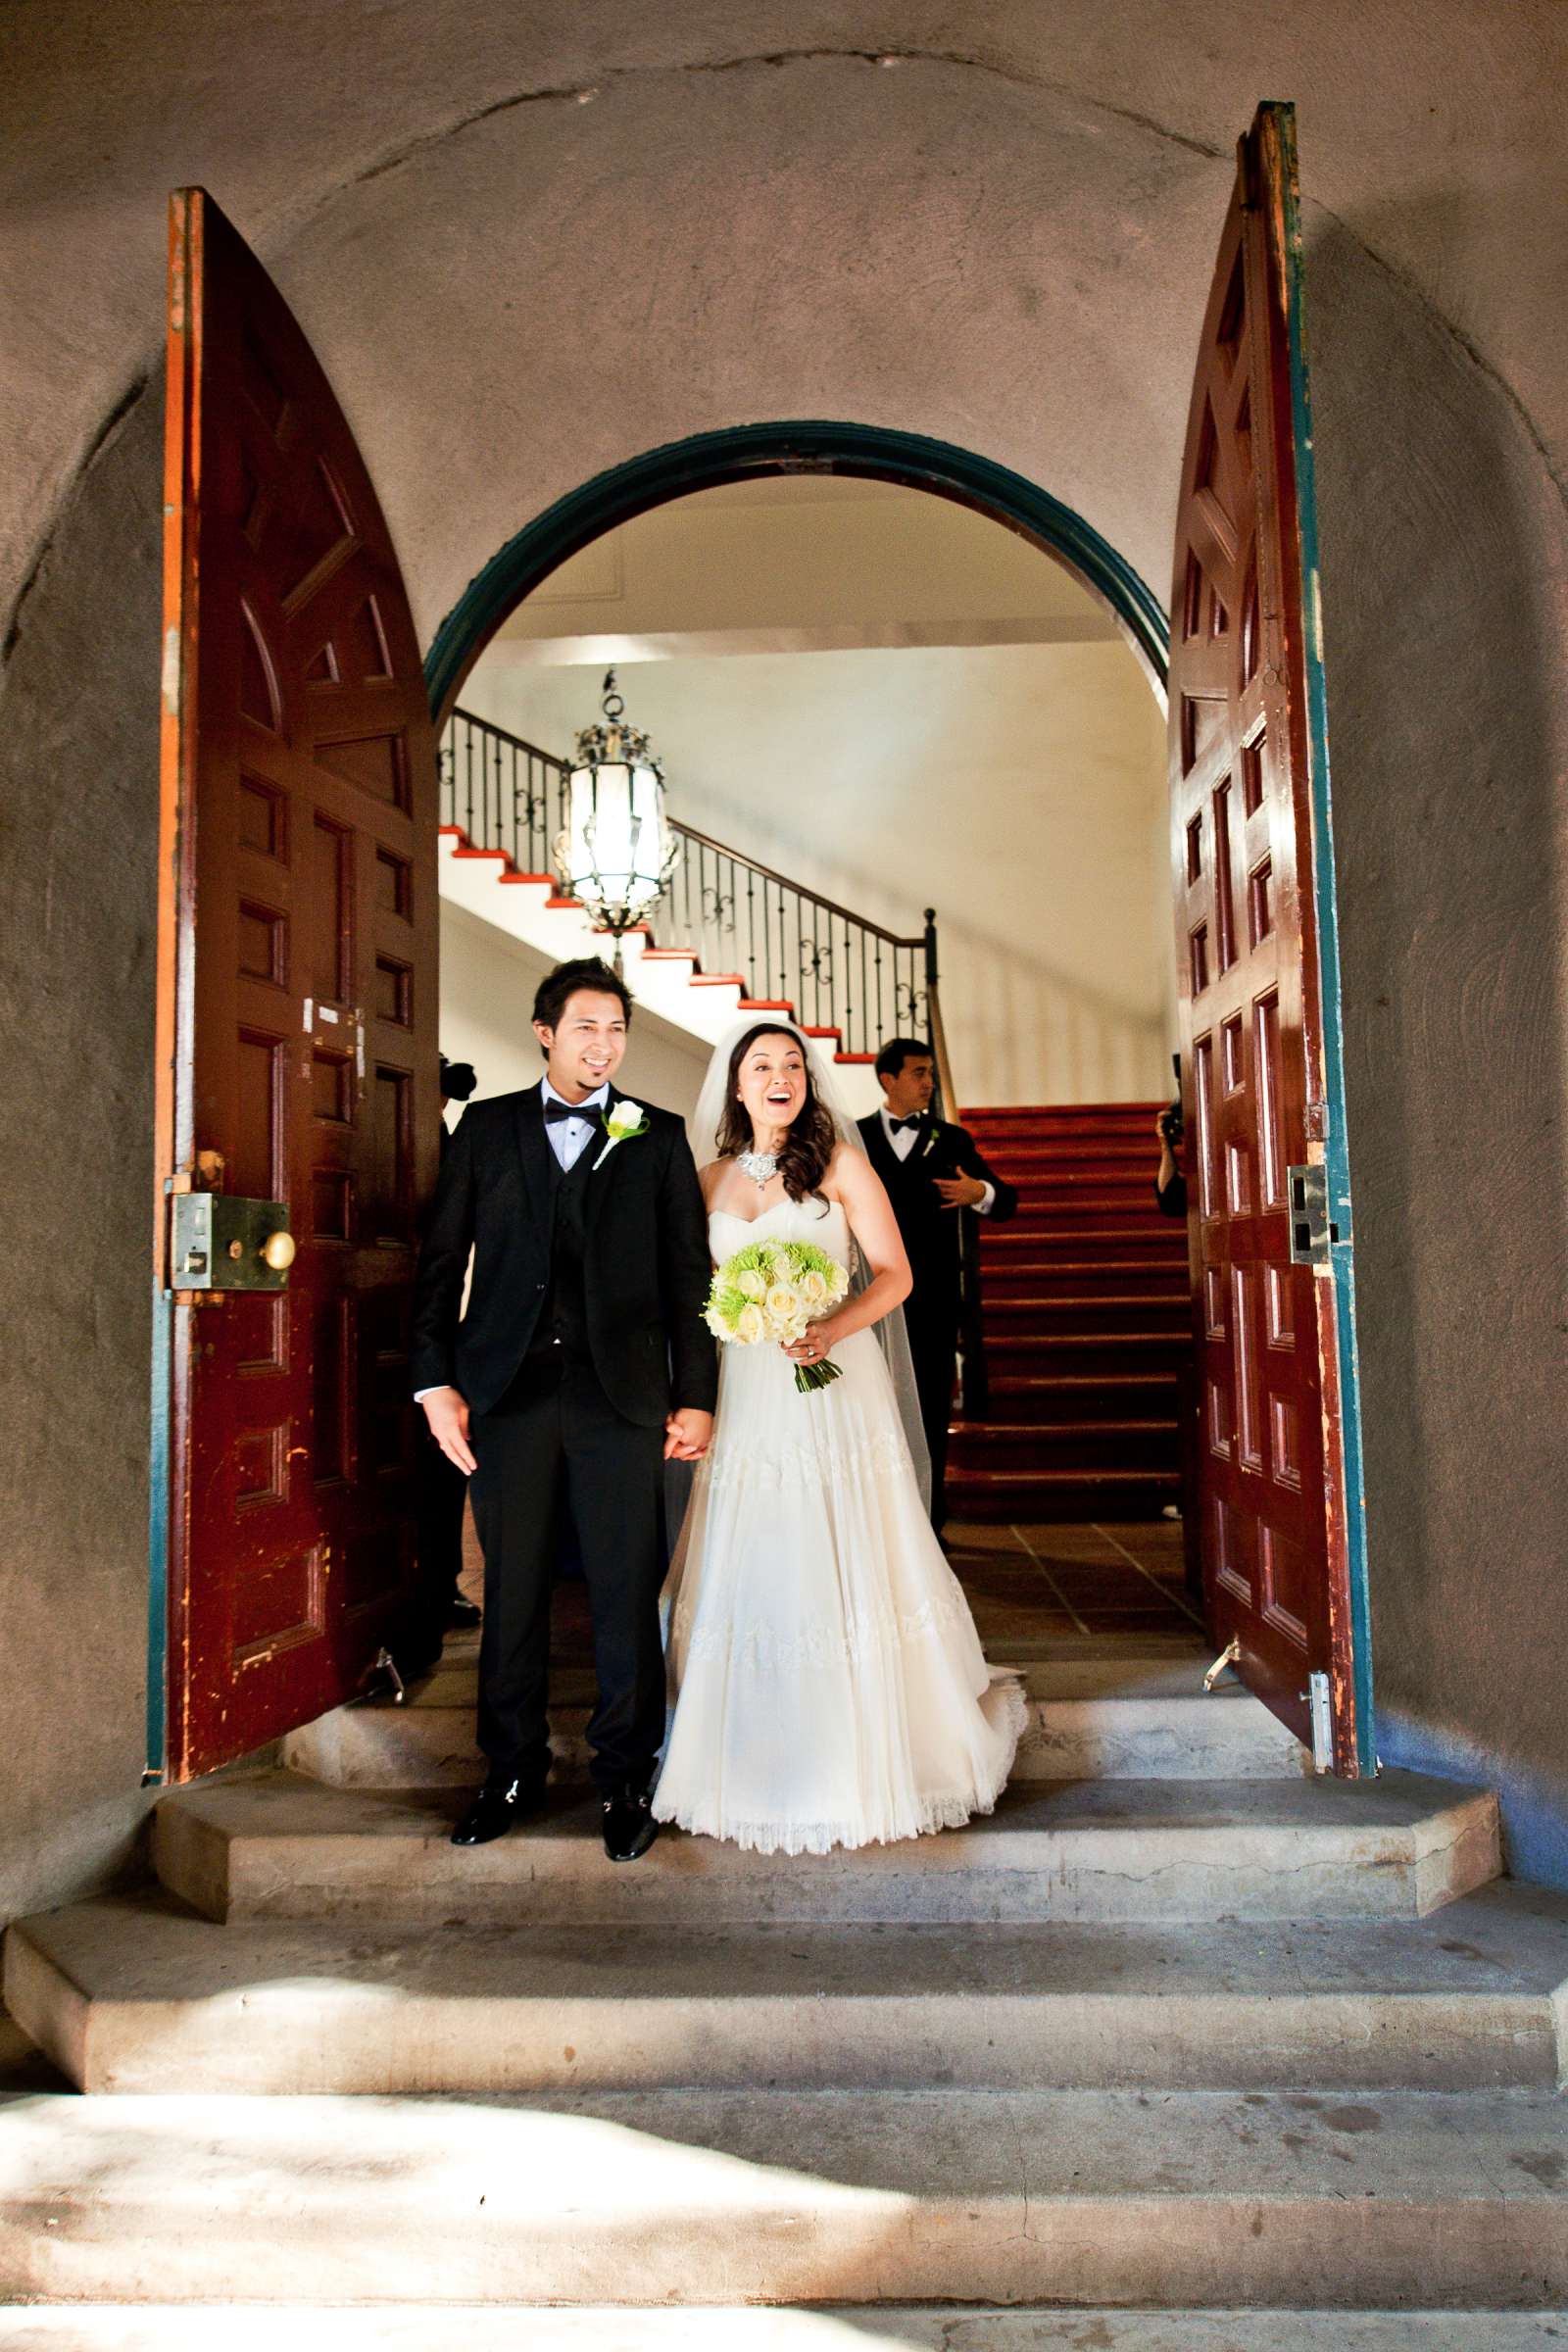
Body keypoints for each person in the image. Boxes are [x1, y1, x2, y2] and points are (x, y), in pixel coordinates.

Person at [654, 1016, 1025, 1856]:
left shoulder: (842, 1164)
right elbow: (690, 1299)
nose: (779, 1076)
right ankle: (759, 1762)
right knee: (763, 1552)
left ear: (807, 1081)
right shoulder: (705, 1179)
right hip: (748, 1389)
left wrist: (827, 1327)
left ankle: (866, 1755)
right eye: (762, 1065)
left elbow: (897, 1274)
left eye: (792, 1064)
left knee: (844, 1546)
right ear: (736, 1084)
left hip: (833, 1382)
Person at [410, 956, 715, 1864]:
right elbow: (439, 1265)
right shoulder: (487, 1128)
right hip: (504, 1395)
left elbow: (688, 1279)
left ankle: (625, 1774)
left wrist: (695, 1396)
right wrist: (435, 1384)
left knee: (625, 1591)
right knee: (511, 1593)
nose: (604, 1044)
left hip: (622, 1399)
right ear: (545, 1032)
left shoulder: (655, 1136)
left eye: (616, 1029)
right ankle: (510, 1769)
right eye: (586, 1027)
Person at [857, 1039, 1017, 1530]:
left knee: (928, 1411)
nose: (929, 1083)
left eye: (930, 1073)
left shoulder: (952, 1140)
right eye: (918, 1073)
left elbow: (1007, 1201)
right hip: (867, 1303)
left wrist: (979, 1192)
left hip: (933, 1302)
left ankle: (928, 1522)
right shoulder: (854, 1138)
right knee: (870, 1410)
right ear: (888, 1079)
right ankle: (878, 1523)